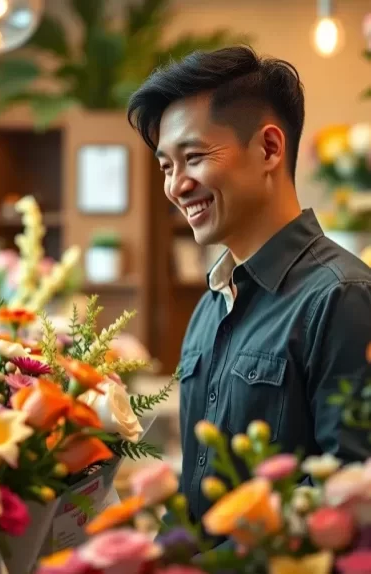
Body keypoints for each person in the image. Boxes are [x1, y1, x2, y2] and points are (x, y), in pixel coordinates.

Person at [127, 45, 371, 544]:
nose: (176, 186)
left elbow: (349, 501)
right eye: (166, 166)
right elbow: (198, 488)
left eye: (193, 157)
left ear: (269, 149)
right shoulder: (210, 303)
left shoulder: (343, 297)